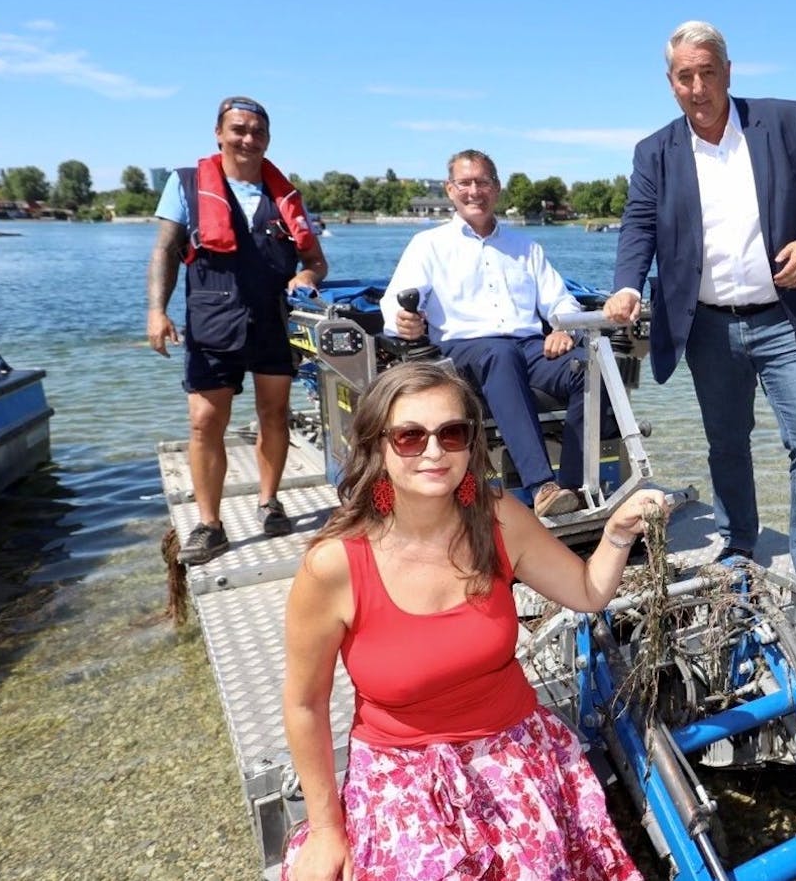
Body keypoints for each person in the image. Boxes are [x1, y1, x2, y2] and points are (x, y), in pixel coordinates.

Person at [280, 361, 662, 881]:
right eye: (410, 436)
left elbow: (587, 592)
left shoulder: (499, 517)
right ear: (377, 445)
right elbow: (305, 703)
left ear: (471, 444)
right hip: (402, 772)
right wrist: (326, 829)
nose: (434, 451)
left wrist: (617, 533)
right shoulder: (334, 564)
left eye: (452, 433)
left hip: (516, 751)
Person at [603, 21, 796, 597]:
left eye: (707, 72)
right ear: (670, 82)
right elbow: (638, 224)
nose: (698, 88)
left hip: (785, 316)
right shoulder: (655, 151)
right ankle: (739, 541)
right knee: (727, 440)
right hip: (708, 326)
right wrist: (626, 284)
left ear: (728, 71)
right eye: (684, 76)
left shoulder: (785, 119)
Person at [147, 96, 328, 565]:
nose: (247, 139)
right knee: (205, 423)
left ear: (267, 139)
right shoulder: (186, 184)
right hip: (212, 319)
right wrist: (156, 311)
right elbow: (166, 250)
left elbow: (314, 261)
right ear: (218, 133)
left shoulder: (284, 196)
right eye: (238, 129)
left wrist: (306, 278)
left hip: (272, 319)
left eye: (257, 132)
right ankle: (210, 525)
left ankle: (270, 502)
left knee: (275, 414)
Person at [381, 149, 597, 518]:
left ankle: (573, 487)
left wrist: (563, 330)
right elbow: (394, 306)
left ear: (496, 189)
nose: (473, 191)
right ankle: (541, 485)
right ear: (450, 190)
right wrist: (403, 321)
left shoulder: (526, 247)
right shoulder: (429, 245)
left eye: (482, 182)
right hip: (462, 352)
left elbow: (560, 302)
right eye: (464, 183)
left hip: (527, 348)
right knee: (500, 353)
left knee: (589, 369)